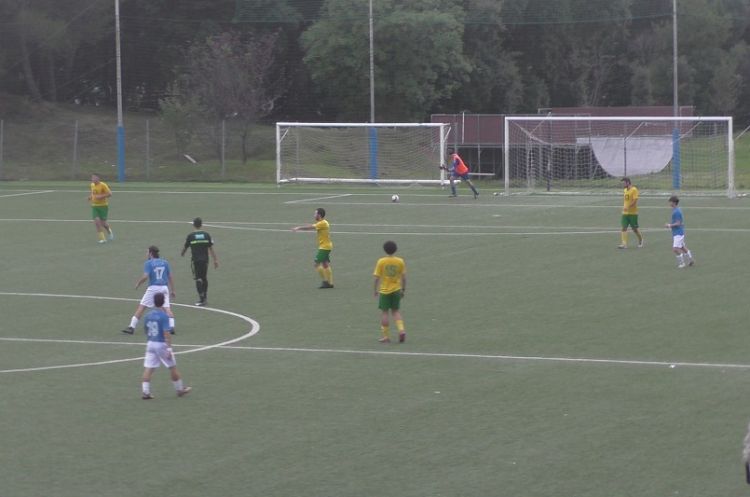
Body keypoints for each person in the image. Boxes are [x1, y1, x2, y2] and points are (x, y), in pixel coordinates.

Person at [140, 291, 191, 400]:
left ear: (153, 302)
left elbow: (145, 330)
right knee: (172, 367)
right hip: (161, 344)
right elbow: (166, 333)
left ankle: (145, 392)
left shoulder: (148, 315)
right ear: (163, 302)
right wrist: (168, 348)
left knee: (148, 368)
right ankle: (180, 390)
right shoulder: (164, 316)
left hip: (150, 343)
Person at [122, 245, 176, 335]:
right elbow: (170, 276)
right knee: (167, 308)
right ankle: (171, 327)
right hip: (164, 288)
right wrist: (173, 290)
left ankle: (131, 327)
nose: (146, 254)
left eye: (147, 252)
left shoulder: (149, 263)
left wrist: (138, 283)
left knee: (142, 307)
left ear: (151, 253)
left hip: (153, 288)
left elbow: (145, 276)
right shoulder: (165, 262)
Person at [373, 240, 407, 343]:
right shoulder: (400, 261)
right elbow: (404, 277)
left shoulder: (381, 261)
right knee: (395, 311)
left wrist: (375, 290)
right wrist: (403, 289)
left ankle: (386, 336)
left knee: (384, 313)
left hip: (384, 291)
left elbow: (376, 278)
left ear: (385, 250)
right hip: (396, 289)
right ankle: (401, 330)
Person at [292, 207, 334, 288]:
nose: (314, 215)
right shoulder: (323, 222)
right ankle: (330, 283)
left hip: (324, 247)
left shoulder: (322, 223)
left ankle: (325, 282)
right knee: (325, 264)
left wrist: (298, 228)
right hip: (326, 246)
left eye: (315, 213)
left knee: (316, 264)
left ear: (319, 215)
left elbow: (310, 227)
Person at [181, 217, 219, 306]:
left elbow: (185, 247)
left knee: (198, 279)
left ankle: (201, 299)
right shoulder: (206, 235)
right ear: (201, 225)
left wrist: (182, 253)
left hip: (195, 261)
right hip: (205, 260)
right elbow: (211, 248)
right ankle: (205, 297)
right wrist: (215, 260)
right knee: (204, 278)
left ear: (193, 225)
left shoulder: (190, 236)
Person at [665, 195, 695, 268]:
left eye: (670, 202)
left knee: (675, 249)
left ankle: (682, 263)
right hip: (679, 232)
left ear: (674, 203)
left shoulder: (677, 212)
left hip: (678, 233)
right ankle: (691, 259)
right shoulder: (677, 210)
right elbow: (680, 222)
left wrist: (669, 225)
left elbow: (678, 223)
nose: (669, 203)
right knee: (682, 247)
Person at [618, 177, 644, 249]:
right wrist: (624, 207)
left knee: (635, 229)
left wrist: (628, 207)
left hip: (633, 213)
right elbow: (626, 201)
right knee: (624, 228)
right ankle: (624, 244)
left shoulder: (634, 190)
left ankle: (641, 240)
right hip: (625, 213)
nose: (623, 184)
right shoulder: (625, 190)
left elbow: (635, 201)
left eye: (624, 183)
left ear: (628, 182)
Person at [88, 173, 114, 244]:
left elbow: (110, 194)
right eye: (92, 177)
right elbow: (93, 193)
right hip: (94, 206)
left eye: (94, 177)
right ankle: (102, 239)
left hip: (103, 206)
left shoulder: (103, 185)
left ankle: (109, 231)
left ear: (98, 178)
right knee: (97, 222)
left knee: (103, 223)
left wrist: (101, 196)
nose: (92, 179)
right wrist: (90, 197)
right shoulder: (92, 185)